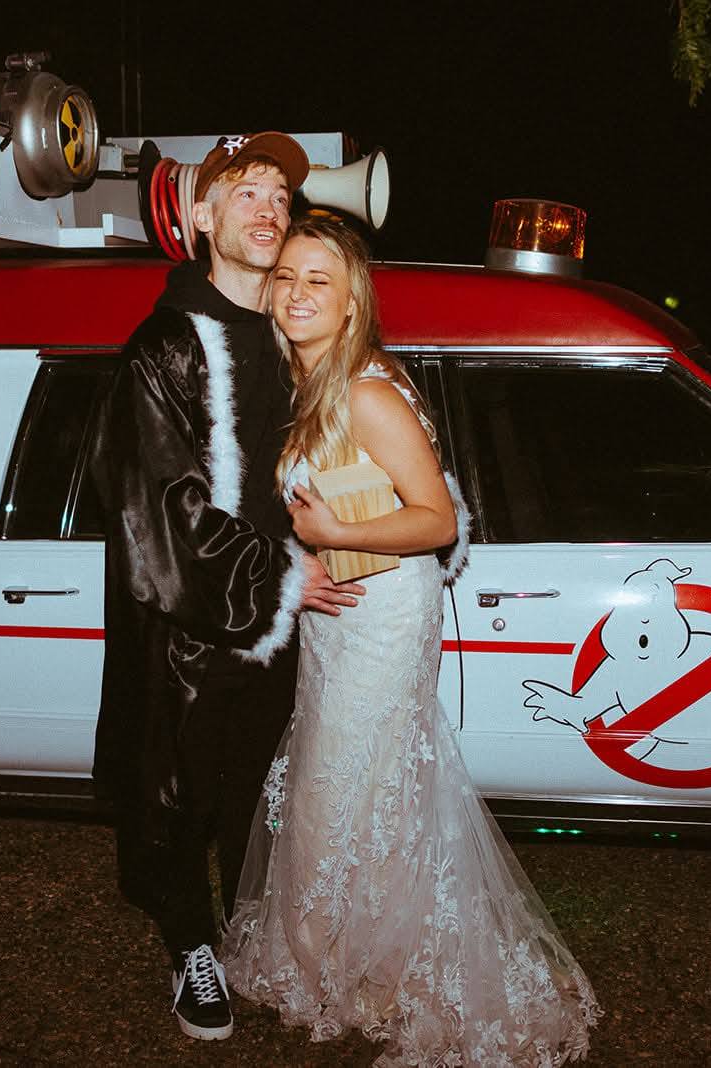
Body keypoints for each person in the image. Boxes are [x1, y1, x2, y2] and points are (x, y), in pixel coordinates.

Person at [223, 217, 602, 1065]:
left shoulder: (365, 392)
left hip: (384, 612)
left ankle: (375, 963)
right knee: (336, 777)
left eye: (318, 280)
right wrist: (305, 552)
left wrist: (329, 532)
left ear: (351, 300)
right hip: (343, 608)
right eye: (286, 276)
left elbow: (436, 521)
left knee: (359, 777)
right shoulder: (309, 381)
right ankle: (340, 951)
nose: (295, 294)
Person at [87, 132, 361, 1043]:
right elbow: (162, 510)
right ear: (201, 217)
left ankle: (259, 940)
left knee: (263, 797)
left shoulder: (294, 333)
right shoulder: (163, 349)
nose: (269, 209)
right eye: (245, 192)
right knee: (178, 800)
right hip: (188, 636)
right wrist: (282, 576)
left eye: (280, 195)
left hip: (288, 625)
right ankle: (190, 948)